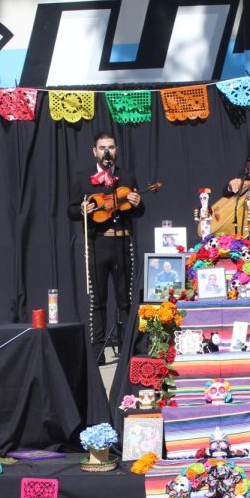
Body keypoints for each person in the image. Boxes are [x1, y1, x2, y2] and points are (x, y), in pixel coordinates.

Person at [68, 131, 146, 364]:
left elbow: (140, 212)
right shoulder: (83, 178)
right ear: (95, 151)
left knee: (125, 299)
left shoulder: (127, 176)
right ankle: (98, 350)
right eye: (102, 148)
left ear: (116, 151)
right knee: (98, 300)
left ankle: (127, 348)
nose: (106, 152)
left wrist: (138, 203)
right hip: (97, 242)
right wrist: (82, 208)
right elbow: (70, 210)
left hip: (122, 241)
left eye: (110, 147)